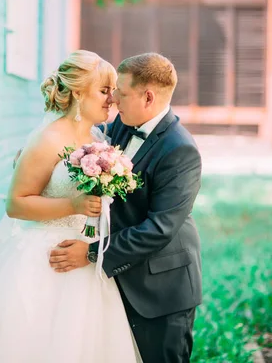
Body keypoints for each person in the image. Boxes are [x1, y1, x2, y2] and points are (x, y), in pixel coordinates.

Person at [0, 50, 141, 362]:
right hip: (44, 258)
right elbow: (16, 204)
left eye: (113, 91)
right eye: (104, 90)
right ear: (79, 93)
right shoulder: (49, 139)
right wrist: (73, 205)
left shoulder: (97, 136)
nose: (113, 99)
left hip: (86, 255)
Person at [49, 52, 203, 363]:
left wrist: (92, 253)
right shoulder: (124, 122)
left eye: (122, 91)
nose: (115, 98)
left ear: (148, 97)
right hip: (117, 283)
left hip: (161, 289)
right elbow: (83, 147)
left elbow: (159, 228)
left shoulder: (181, 150)